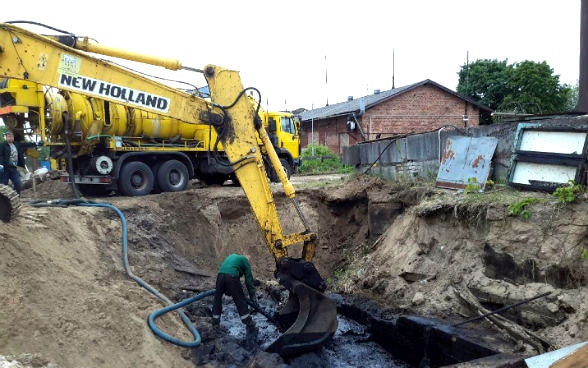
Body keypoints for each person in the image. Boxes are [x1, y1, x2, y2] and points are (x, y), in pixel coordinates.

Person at [211, 253, 258, 333]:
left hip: (220, 276)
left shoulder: (231, 257)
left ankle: (215, 322)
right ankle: (248, 322)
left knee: (217, 298)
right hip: (232, 276)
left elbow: (227, 273)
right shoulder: (245, 261)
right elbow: (249, 281)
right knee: (240, 299)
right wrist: (253, 297)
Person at [0, 130, 25, 195]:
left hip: (14, 169)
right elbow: (0, 155)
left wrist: (36, 143)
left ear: (13, 137)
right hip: (5, 169)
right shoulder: (3, 145)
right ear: (6, 137)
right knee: (3, 186)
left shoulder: (16, 144)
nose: (10, 138)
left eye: (12, 136)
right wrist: (1, 164)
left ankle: (16, 199)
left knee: (18, 184)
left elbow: (26, 144)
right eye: (9, 136)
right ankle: (2, 201)